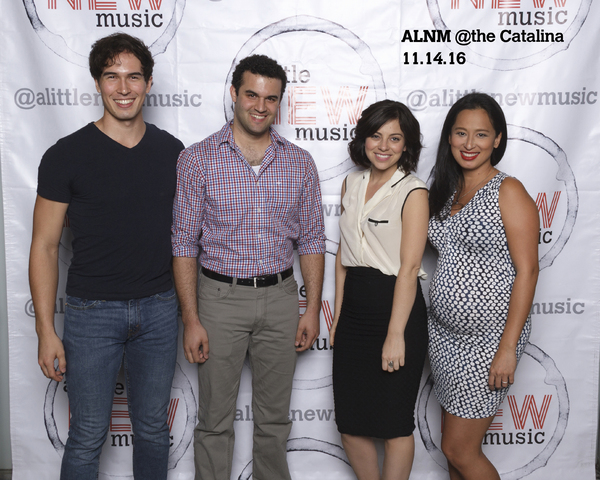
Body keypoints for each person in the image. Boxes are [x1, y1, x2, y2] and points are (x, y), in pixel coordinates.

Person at [29, 33, 183, 479]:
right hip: (91, 313)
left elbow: (184, 239)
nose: (123, 87)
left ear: (148, 84)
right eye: (112, 76)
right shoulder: (65, 155)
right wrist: (45, 329)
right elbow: (43, 245)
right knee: (88, 433)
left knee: (153, 429)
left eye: (133, 76)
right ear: (98, 83)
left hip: (158, 309)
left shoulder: (172, 152)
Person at [171, 54, 326, 480]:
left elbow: (312, 239)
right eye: (252, 94)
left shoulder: (299, 162)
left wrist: (311, 308)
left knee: (274, 421)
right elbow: (183, 243)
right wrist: (191, 318)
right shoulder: (197, 159)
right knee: (215, 421)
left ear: (280, 103)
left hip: (280, 299)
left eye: (271, 98)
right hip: (218, 299)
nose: (261, 106)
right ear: (235, 94)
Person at [427, 93, 539, 479]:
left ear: (497, 140)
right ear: (449, 138)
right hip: (443, 337)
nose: (469, 144)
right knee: (454, 453)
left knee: (459, 450)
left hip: (490, 342)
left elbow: (528, 271)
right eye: (460, 133)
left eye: (480, 134)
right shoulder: (445, 189)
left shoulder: (509, 191)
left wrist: (507, 349)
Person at [330, 100, 429, 480]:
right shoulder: (351, 183)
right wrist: (338, 317)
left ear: (407, 145)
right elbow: (343, 256)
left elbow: (408, 270)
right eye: (376, 135)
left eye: (394, 138)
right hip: (354, 309)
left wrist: (395, 335)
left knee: (394, 424)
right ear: (364, 139)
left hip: (396, 310)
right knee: (350, 424)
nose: (383, 146)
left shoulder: (413, 191)